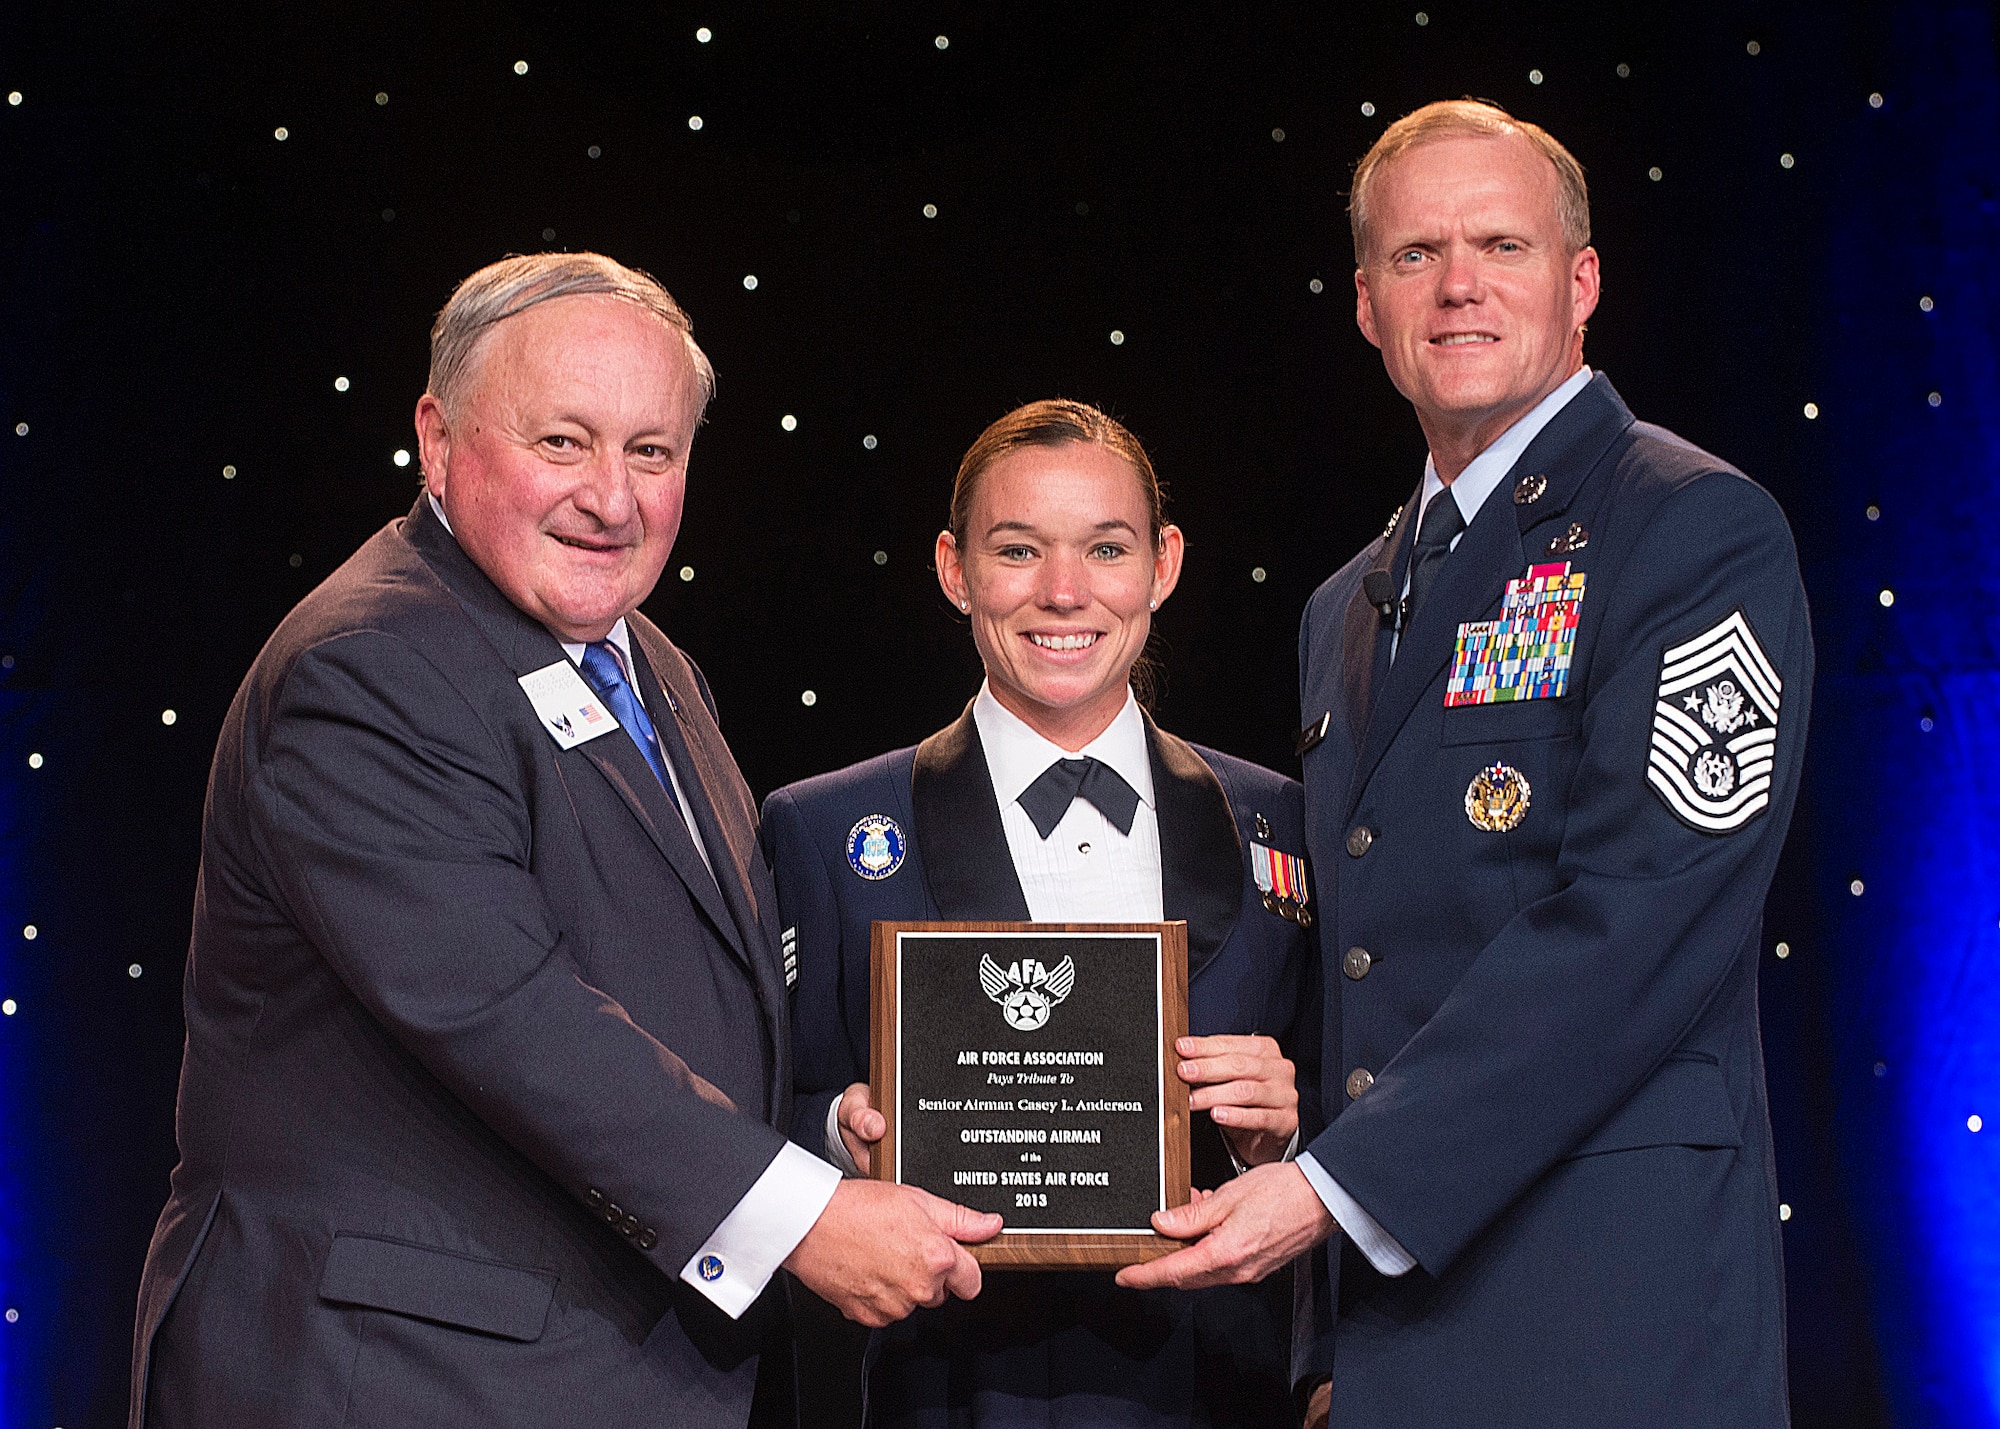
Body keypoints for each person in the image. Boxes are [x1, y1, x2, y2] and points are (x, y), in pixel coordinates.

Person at [128, 252, 1000, 1429]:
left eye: (651, 451)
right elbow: (504, 1006)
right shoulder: (370, 665)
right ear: (437, 441)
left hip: (584, 1370)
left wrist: (825, 1131)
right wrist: (795, 1214)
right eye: (561, 443)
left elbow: (679, 991)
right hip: (392, 1378)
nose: (612, 496)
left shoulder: (652, 666)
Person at [1117, 101, 1811, 1429]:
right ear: (1368, 304)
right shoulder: (1345, 603)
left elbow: (1641, 918)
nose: (1460, 285)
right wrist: (1306, 1218)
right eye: (1416, 253)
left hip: (1609, 1308)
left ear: (1582, 281)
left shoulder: (1691, 528)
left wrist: (1330, 1192)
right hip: (1391, 1324)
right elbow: (1368, 963)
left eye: (1501, 242)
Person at [760, 400, 1320, 1427]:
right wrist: (841, 1135)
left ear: (1162, 564)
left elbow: (1362, 1108)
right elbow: (745, 1115)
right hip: (934, 1388)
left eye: (1104, 548)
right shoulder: (822, 828)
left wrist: (1281, 1137)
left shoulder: (1279, 822)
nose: (1062, 593)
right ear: (952, 567)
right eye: (1016, 549)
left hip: (1211, 1390)